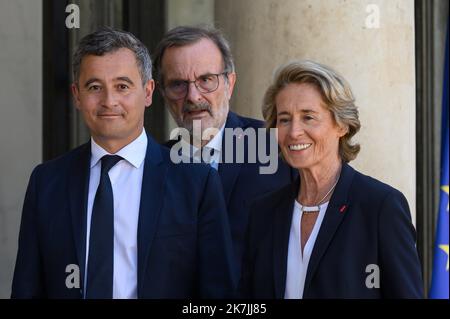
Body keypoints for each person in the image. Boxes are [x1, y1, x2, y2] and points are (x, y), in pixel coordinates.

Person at [11, 28, 235, 299]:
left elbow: (217, 294)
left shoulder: (196, 184)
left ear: (148, 91)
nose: (109, 101)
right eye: (95, 87)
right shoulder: (47, 182)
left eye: (122, 86)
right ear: (77, 95)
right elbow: (27, 288)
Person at [239, 60, 424, 298]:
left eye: (308, 117)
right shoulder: (263, 212)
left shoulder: (380, 207)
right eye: (284, 119)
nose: (294, 131)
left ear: (342, 125)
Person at [153, 25, 296, 279]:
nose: (193, 96)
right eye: (178, 84)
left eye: (206, 80)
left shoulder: (279, 148)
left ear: (229, 84)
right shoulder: (151, 169)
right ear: (162, 93)